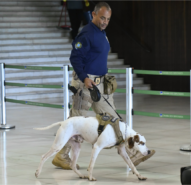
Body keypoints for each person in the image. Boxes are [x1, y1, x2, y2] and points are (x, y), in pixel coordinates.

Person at [52, 2, 155, 170]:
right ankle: (61, 156)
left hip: (100, 85)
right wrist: (85, 78)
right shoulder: (86, 34)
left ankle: (133, 154)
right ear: (93, 15)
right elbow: (75, 58)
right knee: (75, 123)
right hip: (85, 83)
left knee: (115, 120)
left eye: (107, 19)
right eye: (102, 18)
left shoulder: (102, 33)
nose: (105, 21)